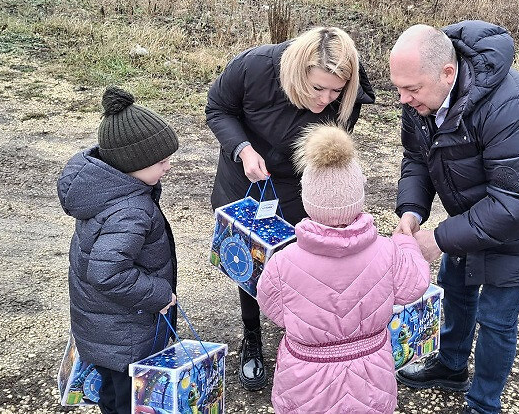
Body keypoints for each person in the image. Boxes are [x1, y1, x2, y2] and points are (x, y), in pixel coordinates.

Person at [389, 22, 519, 414]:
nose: (403, 99)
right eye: (398, 88)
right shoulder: (420, 99)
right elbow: (417, 158)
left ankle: (484, 403)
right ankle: (451, 365)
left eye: (412, 89)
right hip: (476, 209)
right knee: (454, 282)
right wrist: (412, 210)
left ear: (448, 73)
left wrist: (438, 239)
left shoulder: (511, 106)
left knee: (496, 318)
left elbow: (515, 201)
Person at [204, 26, 375, 391]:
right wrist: (243, 150)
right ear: (299, 72)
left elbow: (331, 146)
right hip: (246, 174)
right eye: (318, 88)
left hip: (296, 183)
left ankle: (296, 337)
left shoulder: (347, 96)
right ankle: (252, 336)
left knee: (300, 261)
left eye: (336, 90)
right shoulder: (255, 67)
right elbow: (218, 108)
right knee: (250, 259)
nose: (327, 99)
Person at [256, 124, 431, 413]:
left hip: (306, 375)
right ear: (357, 194)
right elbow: (416, 282)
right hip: (370, 371)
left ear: (308, 199)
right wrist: (406, 243)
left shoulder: (283, 261)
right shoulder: (388, 251)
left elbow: (273, 308)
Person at [58, 86, 180, 414]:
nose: (167, 167)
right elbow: (106, 272)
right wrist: (160, 294)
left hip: (105, 330)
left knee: (112, 395)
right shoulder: (130, 210)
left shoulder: (105, 191)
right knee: (129, 401)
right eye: (160, 161)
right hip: (126, 335)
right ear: (131, 164)